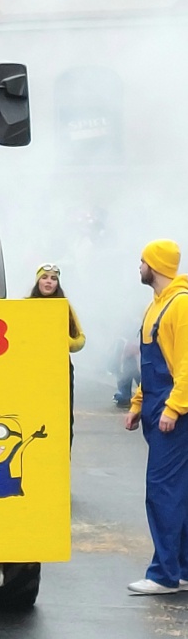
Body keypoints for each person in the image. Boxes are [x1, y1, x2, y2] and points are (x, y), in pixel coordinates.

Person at [125, 241, 188, 595]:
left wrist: (173, 408)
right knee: (178, 492)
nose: (140, 267)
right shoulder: (156, 307)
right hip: (157, 406)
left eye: (143, 261)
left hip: (173, 413)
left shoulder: (181, 306)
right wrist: (137, 403)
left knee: (162, 493)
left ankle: (163, 575)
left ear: (156, 265)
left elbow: (185, 365)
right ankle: (181, 570)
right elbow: (150, 366)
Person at [30, 263, 85, 447]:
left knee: (62, 419)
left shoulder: (65, 306)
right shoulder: (24, 306)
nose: (49, 282)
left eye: (53, 279)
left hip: (60, 371)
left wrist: (63, 342)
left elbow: (80, 339)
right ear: (38, 281)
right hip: (33, 371)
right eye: (45, 277)